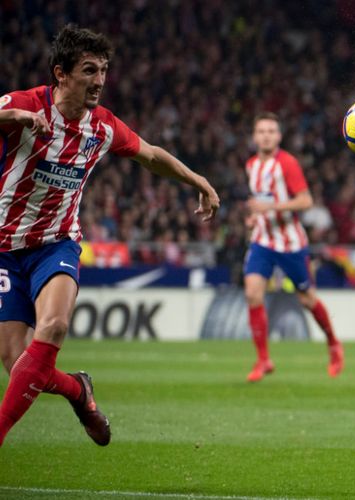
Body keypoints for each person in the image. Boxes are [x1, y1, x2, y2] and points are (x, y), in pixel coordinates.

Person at [0, 24, 220, 447]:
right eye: (89, 70)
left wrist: (198, 180)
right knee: (18, 367)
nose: (99, 80)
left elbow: (152, 155)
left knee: (55, 325)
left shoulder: (101, 128)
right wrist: (11, 117)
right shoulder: (24, 105)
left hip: (57, 244)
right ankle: (78, 390)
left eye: (103, 70)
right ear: (60, 73)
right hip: (5, 251)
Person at [243, 112, 343, 382]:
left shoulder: (287, 164)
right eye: (261, 131)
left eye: (271, 131)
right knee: (253, 293)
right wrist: (255, 217)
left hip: (290, 243)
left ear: (279, 136)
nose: (266, 135)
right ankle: (263, 359)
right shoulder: (251, 165)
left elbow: (306, 201)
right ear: (254, 136)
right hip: (263, 239)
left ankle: (334, 344)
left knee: (307, 299)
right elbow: (260, 202)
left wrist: (270, 207)